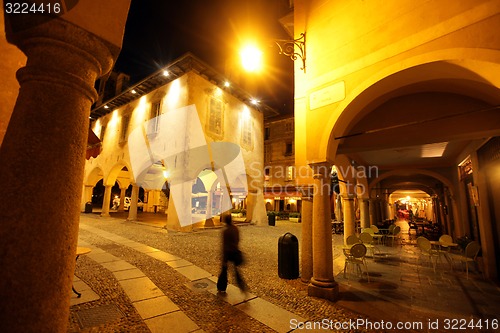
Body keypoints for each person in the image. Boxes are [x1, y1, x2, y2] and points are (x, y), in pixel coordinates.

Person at [217, 214, 247, 293]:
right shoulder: (235, 229)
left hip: (227, 253)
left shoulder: (225, 231)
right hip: (235, 251)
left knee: (224, 271)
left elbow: (224, 245)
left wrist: (223, 258)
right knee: (236, 271)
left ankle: (221, 287)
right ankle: (242, 286)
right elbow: (238, 240)